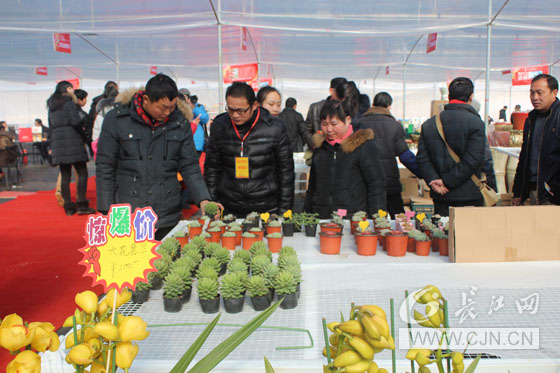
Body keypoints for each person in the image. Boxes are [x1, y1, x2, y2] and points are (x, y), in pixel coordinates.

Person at [96, 74, 220, 240]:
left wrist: (203, 199)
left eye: (172, 107)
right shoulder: (117, 120)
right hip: (126, 209)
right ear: (146, 99)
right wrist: (106, 208)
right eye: (162, 108)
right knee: (129, 262)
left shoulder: (179, 123)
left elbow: (190, 166)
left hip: (166, 210)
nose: (167, 112)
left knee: (164, 261)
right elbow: (105, 166)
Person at [204, 81, 294, 217]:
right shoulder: (220, 126)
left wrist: (284, 212)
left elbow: (286, 172)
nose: (235, 115)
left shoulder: (274, 128)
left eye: (241, 110)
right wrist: (212, 203)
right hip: (229, 206)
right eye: (230, 109)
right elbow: (211, 169)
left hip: (267, 207)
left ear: (254, 106)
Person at [416, 77, 486, 216]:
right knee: (468, 235)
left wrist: (434, 181)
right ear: (471, 97)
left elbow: (422, 159)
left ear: (449, 96)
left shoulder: (430, 124)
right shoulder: (476, 123)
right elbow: (473, 160)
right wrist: (447, 182)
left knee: (442, 235)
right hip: (468, 194)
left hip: (441, 195)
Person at [304, 100, 386, 218]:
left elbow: (376, 184)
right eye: (324, 124)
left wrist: (377, 218)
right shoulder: (320, 147)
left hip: (352, 217)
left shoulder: (363, 146)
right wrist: (306, 214)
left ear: (348, 120)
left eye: (334, 124)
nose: (329, 129)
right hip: (322, 217)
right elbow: (312, 186)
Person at [354, 92, 420, 217]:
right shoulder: (395, 125)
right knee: (398, 218)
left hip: (364, 180)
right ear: (389, 106)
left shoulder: (359, 124)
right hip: (389, 180)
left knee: (366, 219)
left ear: (373, 104)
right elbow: (405, 156)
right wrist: (423, 173)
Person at [47, 81, 95, 216]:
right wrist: (82, 130)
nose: (73, 91)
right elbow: (75, 121)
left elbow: (50, 126)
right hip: (73, 141)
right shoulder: (69, 103)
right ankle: (82, 205)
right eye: (71, 88)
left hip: (58, 143)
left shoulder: (52, 107)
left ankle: (68, 207)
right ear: (67, 89)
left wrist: (51, 144)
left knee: (65, 176)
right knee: (82, 173)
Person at [512, 74, 560, 206]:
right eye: (532, 93)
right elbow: (525, 157)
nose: (534, 97)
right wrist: (518, 192)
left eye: (540, 93)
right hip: (534, 190)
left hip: (553, 195)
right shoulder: (531, 120)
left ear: (554, 92)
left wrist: (554, 190)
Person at [306, 77, 347, 143]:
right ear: (331, 91)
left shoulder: (347, 109)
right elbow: (306, 130)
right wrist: (315, 144)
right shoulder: (315, 108)